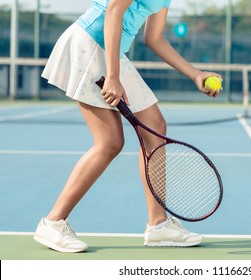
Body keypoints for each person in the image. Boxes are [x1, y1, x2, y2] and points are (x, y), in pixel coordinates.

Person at [33, 0, 222, 253]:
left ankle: (158, 225)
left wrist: (195, 73)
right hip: (89, 45)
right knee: (109, 143)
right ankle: (53, 222)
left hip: (111, 53)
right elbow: (113, 10)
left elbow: (154, 38)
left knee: (155, 127)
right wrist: (112, 76)